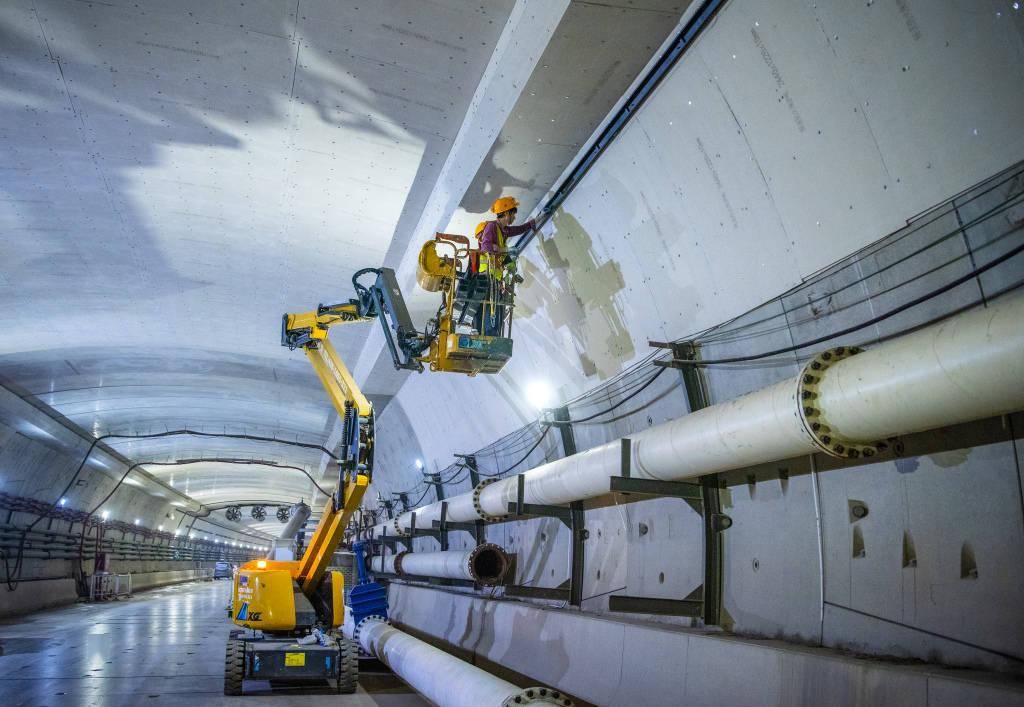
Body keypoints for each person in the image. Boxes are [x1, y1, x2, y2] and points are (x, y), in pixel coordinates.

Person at [474, 196, 535, 336]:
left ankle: (492, 334)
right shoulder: (491, 226)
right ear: (507, 213)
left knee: (496, 307)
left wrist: (531, 224)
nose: (514, 218)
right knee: (491, 307)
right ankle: (488, 334)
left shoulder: (503, 230)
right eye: (513, 214)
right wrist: (507, 251)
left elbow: (517, 229)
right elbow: (486, 247)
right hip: (487, 276)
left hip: (495, 278)